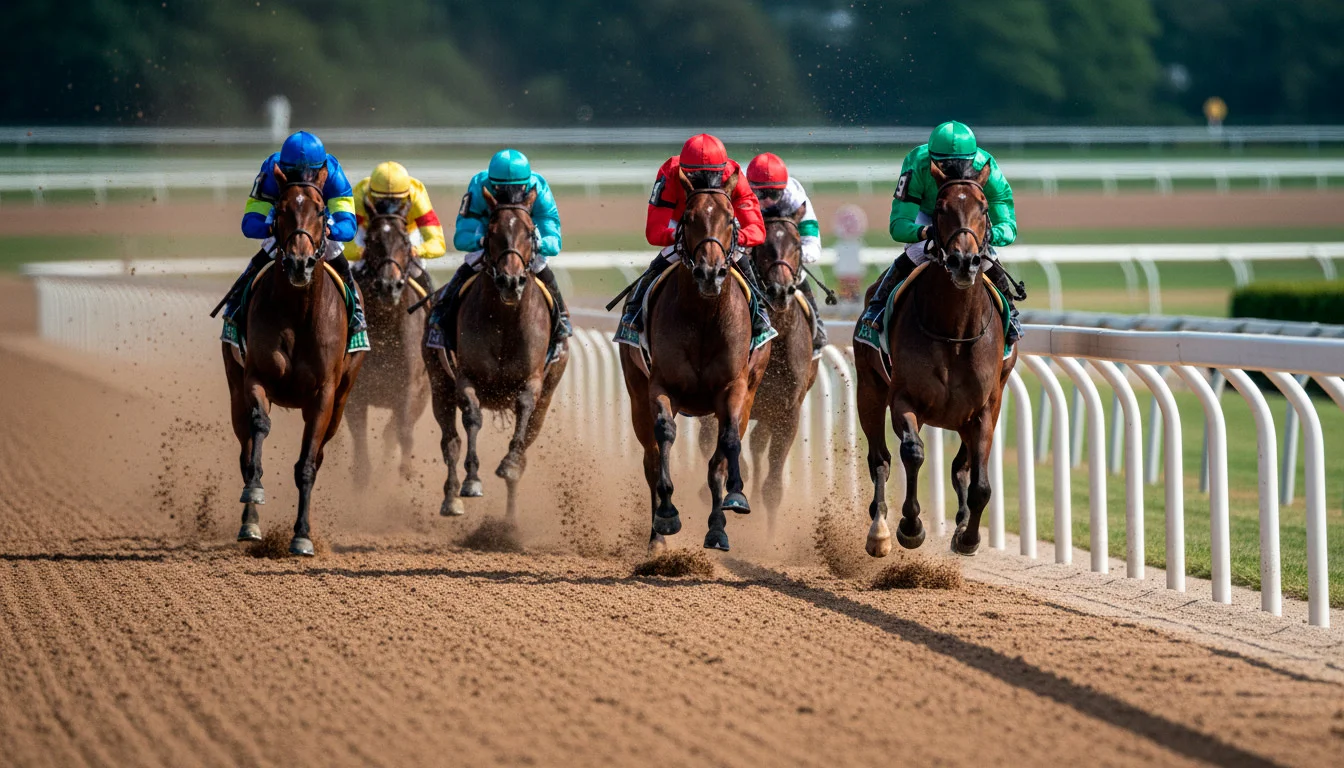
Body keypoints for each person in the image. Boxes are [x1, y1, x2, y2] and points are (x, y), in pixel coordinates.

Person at [858, 120, 1023, 348]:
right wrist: (927, 232)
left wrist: (987, 236)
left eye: (960, 164)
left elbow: (1008, 226)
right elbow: (899, 225)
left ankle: (1011, 313)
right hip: (930, 215)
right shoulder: (917, 163)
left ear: (972, 160)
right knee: (918, 250)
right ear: (933, 160)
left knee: (986, 256)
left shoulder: (988, 168)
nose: (954, 170)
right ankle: (878, 304)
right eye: (945, 166)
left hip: (968, 219)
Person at [616, 133, 772, 344]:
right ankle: (634, 312)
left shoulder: (733, 175)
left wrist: (736, 236)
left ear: (722, 171)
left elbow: (757, 230)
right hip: (682, 224)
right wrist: (679, 235)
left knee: (739, 256)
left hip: (720, 228)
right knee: (666, 256)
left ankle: (760, 311)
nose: (705, 181)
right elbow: (654, 231)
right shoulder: (670, 172)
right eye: (697, 176)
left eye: (711, 176)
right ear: (684, 172)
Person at [219, 130, 364, 344]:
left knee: (336, 254)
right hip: (284, 223)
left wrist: (330, 231)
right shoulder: (270, 172)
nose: (302, 179)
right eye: (295, 173)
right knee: (265, 254)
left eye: (309, 173)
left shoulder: (333, 174)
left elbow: (349, 226)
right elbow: (249, 223)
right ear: (283, 168)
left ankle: (357, 316)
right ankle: (234, 309)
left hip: (319, 222)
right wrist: (271, 229)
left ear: (320, 171)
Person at [426, 148, 569, 354]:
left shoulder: (539, 189)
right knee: (472, 263)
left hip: (524, 238)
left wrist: (536, 242)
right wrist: (482, 240)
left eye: (516, 190)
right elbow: (462, 236)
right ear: (492, 185)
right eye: (502, 190)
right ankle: (441, 314)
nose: (509, 197)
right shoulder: (478, 185)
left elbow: (553, 240)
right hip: (491, 237)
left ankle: (562, 319)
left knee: (540, 265)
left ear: (526, 186)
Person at [746, 152, 829, 352]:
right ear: (749, 188)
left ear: (783, 191)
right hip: (750, 246)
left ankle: (816, 325)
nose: (767, 202)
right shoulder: (737, 193)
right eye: (760, 195)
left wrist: (790, 258)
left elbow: (812, 244)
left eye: (773, 195)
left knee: (793, 270)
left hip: (781, 246)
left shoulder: (795, 197)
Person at [345, 161, 445, 295]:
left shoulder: (417, 196)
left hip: (405, 231)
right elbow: (343, 243)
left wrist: (416, 250)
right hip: (369, 231)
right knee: (355, 268)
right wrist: (362, 252)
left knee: (418, 269)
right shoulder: (359, 195)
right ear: (371, 194)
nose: (389, 209)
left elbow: (438, 243)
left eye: (395, 202)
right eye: (382, 202)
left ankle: (433, 309)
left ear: (407, 196)